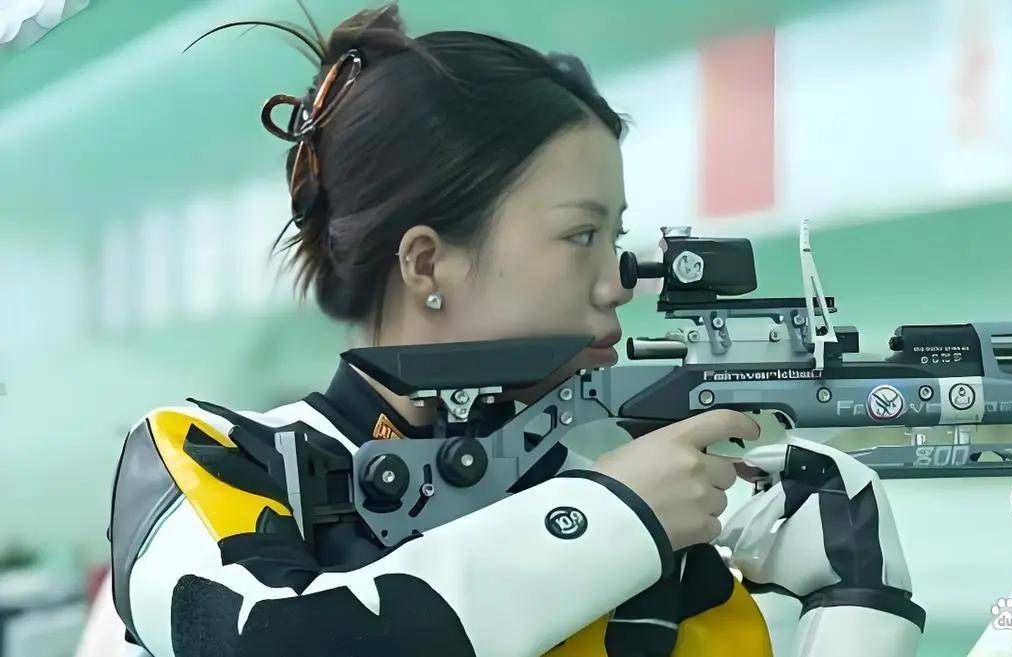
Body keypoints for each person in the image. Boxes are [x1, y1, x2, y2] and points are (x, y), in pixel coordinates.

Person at [105, 5, 930, 656]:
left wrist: (855, 598)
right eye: (581, 235)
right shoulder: (206, 455)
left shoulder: (636, 528)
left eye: (616, 236)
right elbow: (271, 638)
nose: (616, 279)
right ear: (427, 263)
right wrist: (613, 516)